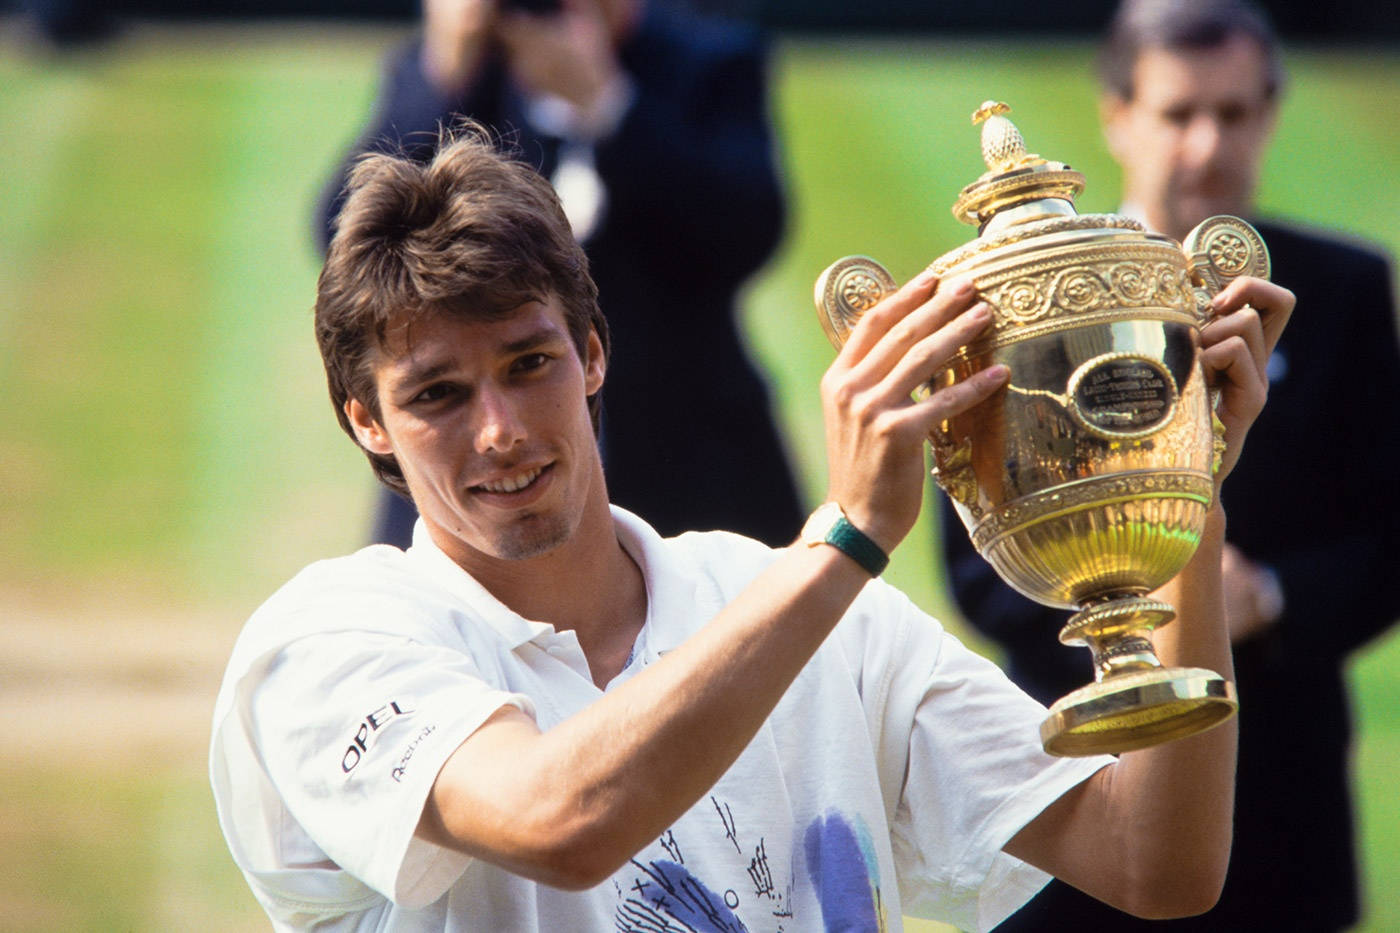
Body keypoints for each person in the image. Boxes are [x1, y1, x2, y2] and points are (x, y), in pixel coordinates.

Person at [210, 122, 1292, 931]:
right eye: (436, 396)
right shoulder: (325, 643)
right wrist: (845, 538)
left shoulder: (796, 606)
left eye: (526, 364)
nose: (496, 432)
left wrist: (1170, 486)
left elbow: (1153, 862)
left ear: (591, 354)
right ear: (369, 424)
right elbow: (559, 822)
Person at [939, 0, 1400, 929]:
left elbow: (1388, 540)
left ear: (1271, 113)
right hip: (1085, 775)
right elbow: (972, 566)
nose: (1206, 144)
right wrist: (1135, 604)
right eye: (1178, 112)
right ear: (1116, 114)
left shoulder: (1341, 291)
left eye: (1233, 114)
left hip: (1281, 789)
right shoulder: (1023, 297)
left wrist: (1265, 597)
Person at [317, 0, 804, 549]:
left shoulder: (708, 56)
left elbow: (749, 230)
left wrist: (609, 105)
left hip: (689, 446)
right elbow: (345, 247)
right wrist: (441, 79)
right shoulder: (458, 68)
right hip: (475, 486)